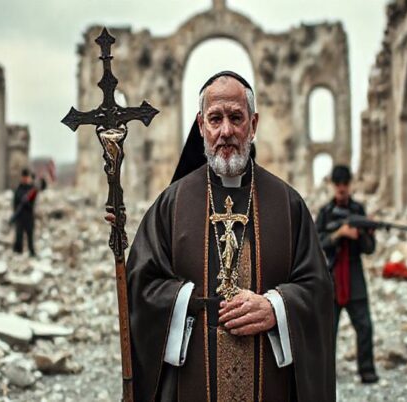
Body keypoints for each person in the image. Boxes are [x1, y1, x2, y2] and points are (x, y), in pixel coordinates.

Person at [121, 71, 335, 401]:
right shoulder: (172, 204)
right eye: (215, 118)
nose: (226, 131)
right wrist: (186, 302)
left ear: (253, 123)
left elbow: (317, 289)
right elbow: (140, 285)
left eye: (236, 118)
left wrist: (275, 307)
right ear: (201, 125)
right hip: (192, 380)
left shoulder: (287, 203)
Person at [315, 165, 378, 384]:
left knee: (365, 327)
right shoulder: (325, 213)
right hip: (331, 278)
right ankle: (324, 375)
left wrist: (361, 234)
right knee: (327, 332)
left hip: (354, 276)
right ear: (332, 185)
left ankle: (367, 371)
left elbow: (370, 249)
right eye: (338, 184)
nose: (341, 188)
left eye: (345, 184)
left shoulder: (358, 211)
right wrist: (338, 234)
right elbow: (316, 244)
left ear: (350, 185)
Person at [11, 169, 46, 257]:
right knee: (19, 236)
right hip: (20, 216)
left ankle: (32, 253)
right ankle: (18, 253)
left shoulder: (32, 188)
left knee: (30, 236)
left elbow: (42, 187)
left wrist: (42, 180)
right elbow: (15, 202)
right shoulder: (19, 189)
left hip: (29, 216)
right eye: (24, 177)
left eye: (27, 177)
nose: (25, 179)